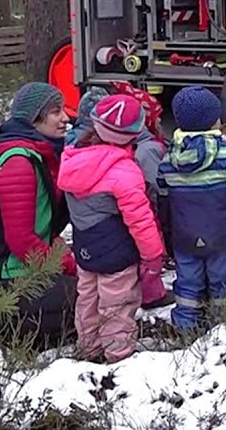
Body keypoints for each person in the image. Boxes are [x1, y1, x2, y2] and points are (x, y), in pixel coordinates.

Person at [0, 82, 79, 346]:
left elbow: (42, 229)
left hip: (16, 269)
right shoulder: (19, 163)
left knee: (87, 295)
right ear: (34, 119)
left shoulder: (40, 155)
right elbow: (22, 240)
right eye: (55, 112)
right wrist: (66, 265)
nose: (65, 118)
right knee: (81, 303)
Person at [59, 94, 167, 363]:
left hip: (85, 247)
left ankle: (89, 348)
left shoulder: (72, 159)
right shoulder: (125, 171)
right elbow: (140, 220)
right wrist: (153, 255)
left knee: (88, 299)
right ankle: (119, 356)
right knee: (118, 303)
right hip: (116, 251)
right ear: (134, 133)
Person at [158, 86, 226, 331]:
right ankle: (222, 329)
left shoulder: (168, 159)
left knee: (187, 284)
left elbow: (163, 200)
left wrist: (167, 231)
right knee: (222, 283)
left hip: (184, 236)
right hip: (222, 236)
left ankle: (184, 327)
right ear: (215, 121)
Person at [110, 81, 173, 309]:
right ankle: (150, 294)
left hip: (142, 212)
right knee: (150, 256)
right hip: (148, 213)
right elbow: (157, 187)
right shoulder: (148, 151)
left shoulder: (144, 146)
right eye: (156, 117)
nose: (159, 121)